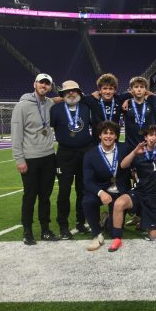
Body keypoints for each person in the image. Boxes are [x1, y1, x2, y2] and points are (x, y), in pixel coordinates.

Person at [11, 73, 59, 245]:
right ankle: (27, 231)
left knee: (45, 196)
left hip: (48, 157)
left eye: (47, 84)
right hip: (30, 159)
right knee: (30, 196)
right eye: (41, 83)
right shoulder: (22, 106)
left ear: (50, 87)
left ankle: (45, 230)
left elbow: (61, 99)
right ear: (35, 84)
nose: (44, 86)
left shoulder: (50, 103)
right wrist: (19, 159)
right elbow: (16, 135)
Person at [107, 125, 156, 251]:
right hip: (139, 193)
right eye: (151, 135)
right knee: (119, 204)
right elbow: (123, 166)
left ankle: (143, 221)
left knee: (154, 236)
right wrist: (135, 152)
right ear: (145, 137)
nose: (153, 138)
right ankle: (117, 238)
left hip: (154, 197)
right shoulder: (139, 152)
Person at [50, 80, 93, 239]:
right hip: (65, 155)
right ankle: (63, 226)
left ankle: (81, 222)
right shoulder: (55, 109)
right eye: (68, 91)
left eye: (75, 90)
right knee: (64, 191)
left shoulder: (86, 107)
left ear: (80, 93)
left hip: (84, 153)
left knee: (83, 190)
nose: (71, 93)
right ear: (62, 94)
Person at [81, 121, 132, 251]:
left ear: (116, 136)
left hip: (119, 192)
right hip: (102, 190)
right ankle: (97, 235)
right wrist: (100, 193)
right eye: (105, 133)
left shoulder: (125, 148)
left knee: (113, 231)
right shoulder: (90, 155)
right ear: (100, 135)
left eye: (111, 133)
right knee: (88, 201)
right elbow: (87, 181)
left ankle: (106, 220)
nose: (108, 136)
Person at [123, 76, 155, 148]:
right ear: (131, 89)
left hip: (148, 145)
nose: (139, 89)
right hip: (130, 145)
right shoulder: (126, 104)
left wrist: (149, 93)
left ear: (145, 90)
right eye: (136, 87)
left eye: (142, 87)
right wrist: (126, 99)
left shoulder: (151, 103)